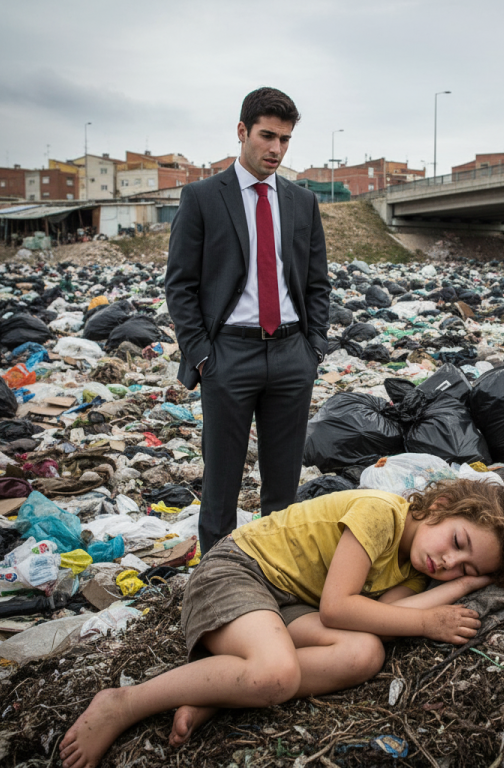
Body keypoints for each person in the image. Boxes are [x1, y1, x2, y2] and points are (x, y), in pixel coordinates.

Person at [59, 479, 504, 768]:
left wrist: (459, 589)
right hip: (240, 572)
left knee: (364, 654)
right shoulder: (380, 514)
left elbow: (387, 618)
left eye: (467, 569)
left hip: (287, 604)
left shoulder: (419, 566)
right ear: (440, 507)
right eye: (457, 545)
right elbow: (338, 610)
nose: (448, 564)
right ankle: (124, 703)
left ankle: (216, 691)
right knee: (275, 675)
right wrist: (431, 622)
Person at [165, 87, 331, 555]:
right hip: (227, 356)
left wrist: (314, 348)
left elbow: (317, 282)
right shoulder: (202, 197)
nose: (275, 149)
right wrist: (201, 355)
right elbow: (180, 284)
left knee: (283, 488)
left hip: (291, 354)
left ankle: (277, 577)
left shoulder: (302, 202)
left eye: (284, 140)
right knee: (220, 485)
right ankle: (217, 586)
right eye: (266, 136)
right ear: (242, 131)